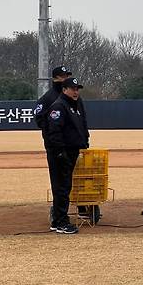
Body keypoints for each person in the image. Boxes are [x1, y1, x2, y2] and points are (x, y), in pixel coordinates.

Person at [45, 77, 90, 234]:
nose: (76, 91)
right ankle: (60, 221)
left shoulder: (73, 105)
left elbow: (80, 126)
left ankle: (59, 220)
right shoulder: (59, 106)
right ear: (64, 90)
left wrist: (84, 141)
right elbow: (54, 131)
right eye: (73, 88)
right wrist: (59, 152)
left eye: (77, 88)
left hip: (71, 152)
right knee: (61, 188)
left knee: (65, 186)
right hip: (61, 153)